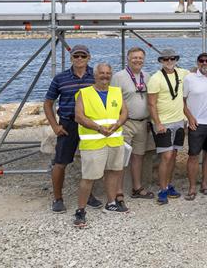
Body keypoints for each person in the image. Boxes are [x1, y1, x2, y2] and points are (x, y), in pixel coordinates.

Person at [72, 63, 129, 227]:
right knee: (88, 177)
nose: (105, 76)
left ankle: (111, 203)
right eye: (102, 73)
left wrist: (118, 124)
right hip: (93, 141)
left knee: (114, 172)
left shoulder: (116, 92)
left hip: (114, 139)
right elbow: (79, 116)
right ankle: (81, 211)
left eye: (108, 73)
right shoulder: (84, 93)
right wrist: (98, 128)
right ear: (95, 75)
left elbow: (124, 111)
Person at [44, 44, 98, 213]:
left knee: (90, 160)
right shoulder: (60, 78)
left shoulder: (96, 77)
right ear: (71, 58)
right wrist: (55, 126)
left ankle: (88, 195)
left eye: (83, 56)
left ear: (89, 57)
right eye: (76, 56)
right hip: (68, 124)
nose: (79, 59)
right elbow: (48, 103)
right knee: (60, 162)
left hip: (89, 124)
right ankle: (57, 198)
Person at [111, 47, 155, 200]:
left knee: (138, 156)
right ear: (128, 59)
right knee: (121, 157)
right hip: (125, 123)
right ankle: (118, 191)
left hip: (143, 123)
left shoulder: (147, 76)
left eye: (140, 58)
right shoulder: (119, 77)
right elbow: (113, 101)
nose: (137, 60)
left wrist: (150, 121)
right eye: (134, 57)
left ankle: (137, 187)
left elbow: (151, 100)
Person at [147, 48, 189, 205]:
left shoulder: (182, 73)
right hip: (163, 123)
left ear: (176, 59)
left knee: (174, 155)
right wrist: (157, 123)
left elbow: (196, 71)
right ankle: (162, 189)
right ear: (160, 61)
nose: (169, 62)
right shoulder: (155, 78)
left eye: (172, 59)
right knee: (166, 156)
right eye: (165, 59)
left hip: (178, 121)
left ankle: (169, 184)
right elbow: (151, 104)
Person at [182, 52, 207, 200]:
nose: (204, 63)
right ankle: (192, 187)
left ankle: (204, 184)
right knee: (193, 156)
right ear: (197, 62)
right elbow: (182, 101)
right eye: (201, 61)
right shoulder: (189, 78)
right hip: (196, 124)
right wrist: (190, 117)